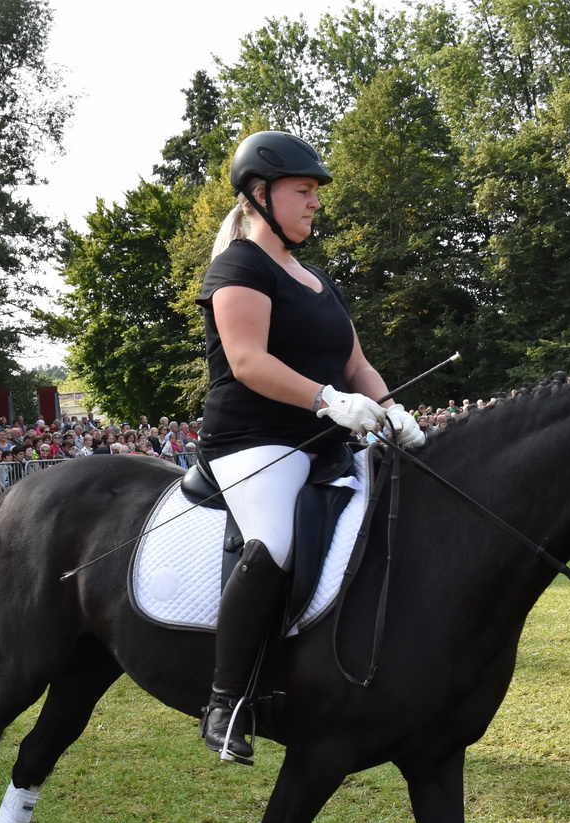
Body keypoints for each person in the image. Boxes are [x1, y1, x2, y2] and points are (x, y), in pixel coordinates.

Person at [193, 130, 427, 765]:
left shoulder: (317, 280)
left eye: (315, 192)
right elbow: (246, 361)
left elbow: (357, 365)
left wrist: (390, 406)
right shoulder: (239, 267)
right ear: (260, 195)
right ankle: (224, 700)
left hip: (325, 440)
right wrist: (327, 401)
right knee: (275, 544)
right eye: (303, 191)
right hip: (254, 440)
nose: (314, 203)